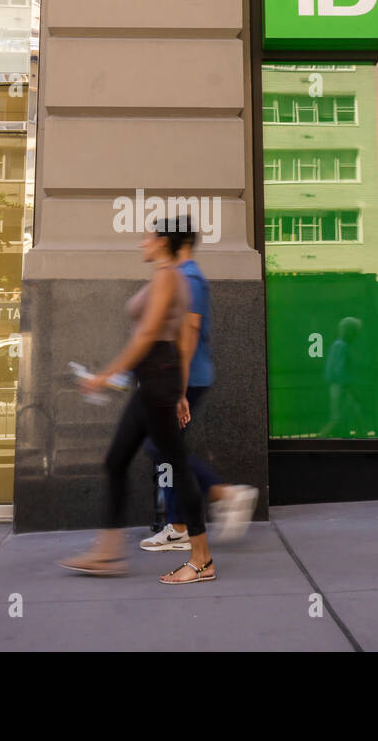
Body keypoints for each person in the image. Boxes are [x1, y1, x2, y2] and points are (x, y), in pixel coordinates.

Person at [59, 218, 215, 584]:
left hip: (155, 381)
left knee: (178, 465)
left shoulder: (168, 278)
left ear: (162, 241)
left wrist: (104, 375)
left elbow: (149, 335)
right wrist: (178, 391)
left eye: (147, 236)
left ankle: (202, 559)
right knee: (118, 461)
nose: (141, 243)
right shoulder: (168, 276)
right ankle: (108, 552)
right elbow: (174, 337)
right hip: (156, 383)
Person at [141, 217, 257, 551]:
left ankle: (223, 492)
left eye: (153, 238)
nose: (146, 243)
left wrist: (178, 388)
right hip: (182, 376)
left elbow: (189, 333)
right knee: (168, 451)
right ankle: (178, 526)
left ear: (172, 242)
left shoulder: (189, 278)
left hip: (186, 377)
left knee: (159, 446)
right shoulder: (181, 277)